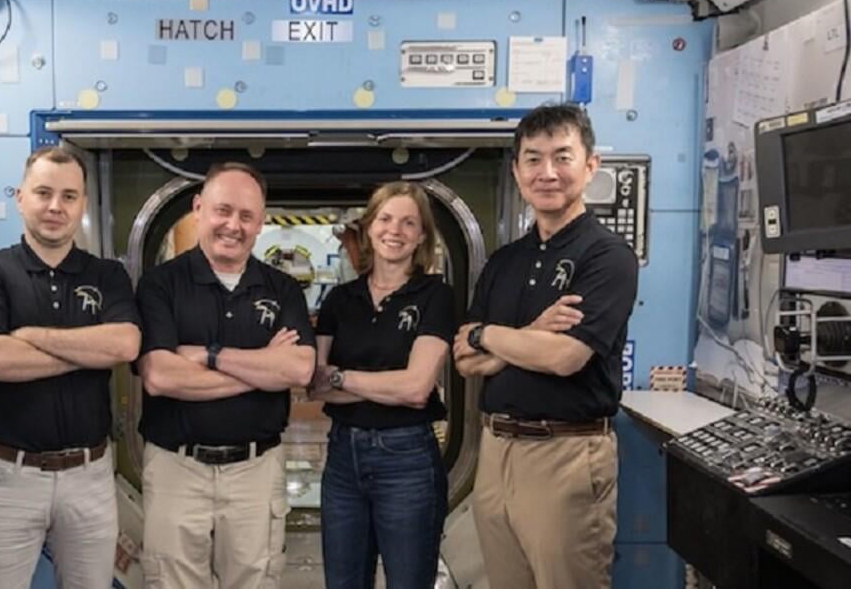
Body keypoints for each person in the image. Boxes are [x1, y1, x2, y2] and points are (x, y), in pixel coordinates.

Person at [453, 104, 638, 589]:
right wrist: (532, 331)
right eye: (533, 159)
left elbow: (565, 357)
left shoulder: (607, 256)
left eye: (562, 157)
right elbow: (464, 360)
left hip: (566, 454)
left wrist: (487, 335)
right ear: (517, 172)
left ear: (591, 165)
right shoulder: (503, 262)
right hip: (495, 452)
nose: (547, 172)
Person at [0, 146, 141, 589]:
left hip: (90, 476)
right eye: (43, 193)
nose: (56, 206)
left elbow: (125, 344)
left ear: (82, 205)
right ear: (20, 198)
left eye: (69, 196)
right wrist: (86, 351)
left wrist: (30, 336)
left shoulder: (108, 276)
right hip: (5, 477)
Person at [135, 161, 317, 588]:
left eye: (247, 216)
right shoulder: (160, 285)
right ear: (199, 208)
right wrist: (262, 367)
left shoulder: (282, 289)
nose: (233, 225)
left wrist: (209, 356)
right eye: (223, 210)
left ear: (261, 222)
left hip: (257, 470)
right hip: (176, 468)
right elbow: (160, 377)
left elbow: (300, 368)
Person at [309, 181, 455, 588]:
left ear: (422, 236)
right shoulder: (340, 300)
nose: (395, 230)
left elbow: (416, 388)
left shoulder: (435, 296)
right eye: (386, 219)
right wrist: (386, 384)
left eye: (409, 223)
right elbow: (316, 385)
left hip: (408, 460)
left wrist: (341, 376)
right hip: (343, 458)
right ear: (369, 227)